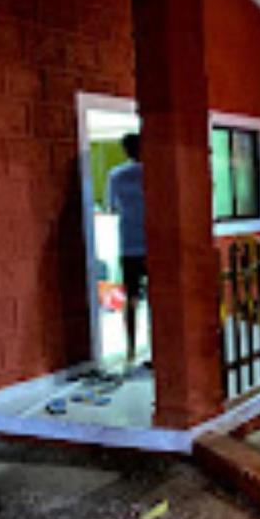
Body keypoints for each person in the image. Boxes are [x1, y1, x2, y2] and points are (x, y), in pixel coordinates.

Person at [106, 133, 146, 365]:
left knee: (131, 298)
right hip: (154, 243)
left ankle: (130, 350)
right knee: (158, 300)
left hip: (128, 243)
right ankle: (158, 347)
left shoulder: (116, 175)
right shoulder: (154, 173)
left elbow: (112, 207)